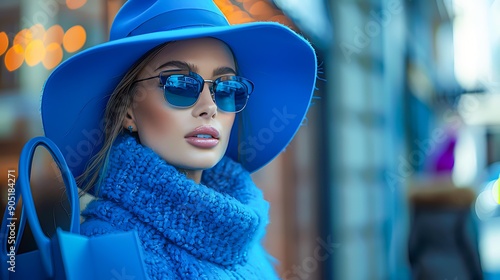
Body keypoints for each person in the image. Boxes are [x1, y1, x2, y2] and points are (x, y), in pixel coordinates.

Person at [41, 0, 317, 279]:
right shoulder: (107, 254)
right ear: (128, 111)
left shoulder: (241, 236)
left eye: (227, 88)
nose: (209, 106)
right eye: (179, 84)